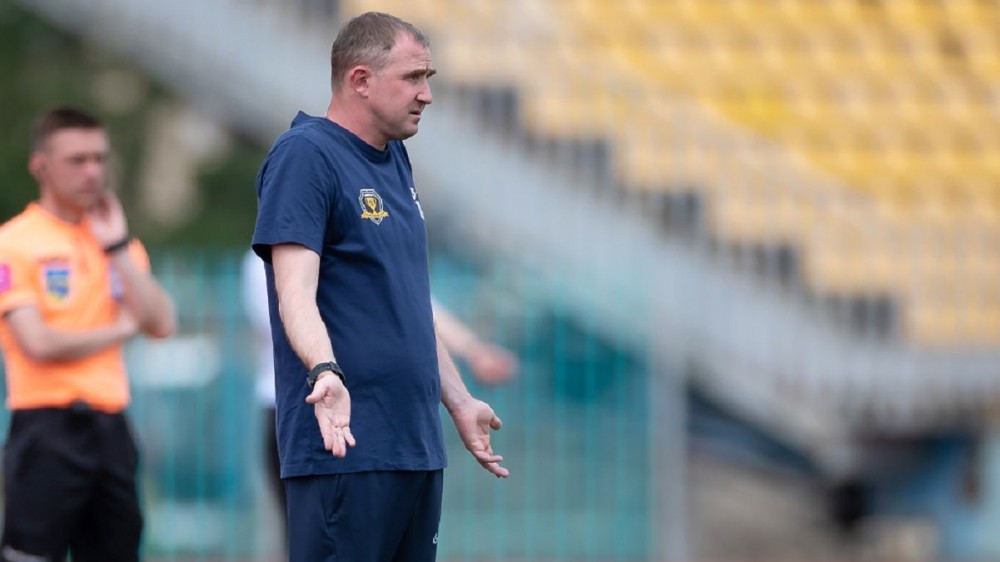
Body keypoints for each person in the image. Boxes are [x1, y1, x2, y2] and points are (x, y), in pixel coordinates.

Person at [250, 11, 509, 561]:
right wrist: (325, 370)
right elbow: (294, 293)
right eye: (413, 78)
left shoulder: (395, 160)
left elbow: (406, 305)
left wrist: (459, 401)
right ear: (361, 80)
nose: (426, 95)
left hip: (414, 447)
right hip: (346, 446)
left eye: (427, 78)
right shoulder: (305, 155)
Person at [240, 249, 517, 546]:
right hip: (301, 406)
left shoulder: (356, 249)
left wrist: (472, 350)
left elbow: (416, 308)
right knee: (308, 534)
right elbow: (292, 312)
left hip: (361, 408)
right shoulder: (267, 259)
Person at [0, 107, 176, 561]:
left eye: (99, 158)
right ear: (41, 166)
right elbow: (37, 342)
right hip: (45, 428)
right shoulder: (13, 243)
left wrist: (116, 247)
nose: (93, 171)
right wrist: (120, 328)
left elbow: (161, 323)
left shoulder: (117, 243)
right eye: (77, 160)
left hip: (111, 425)